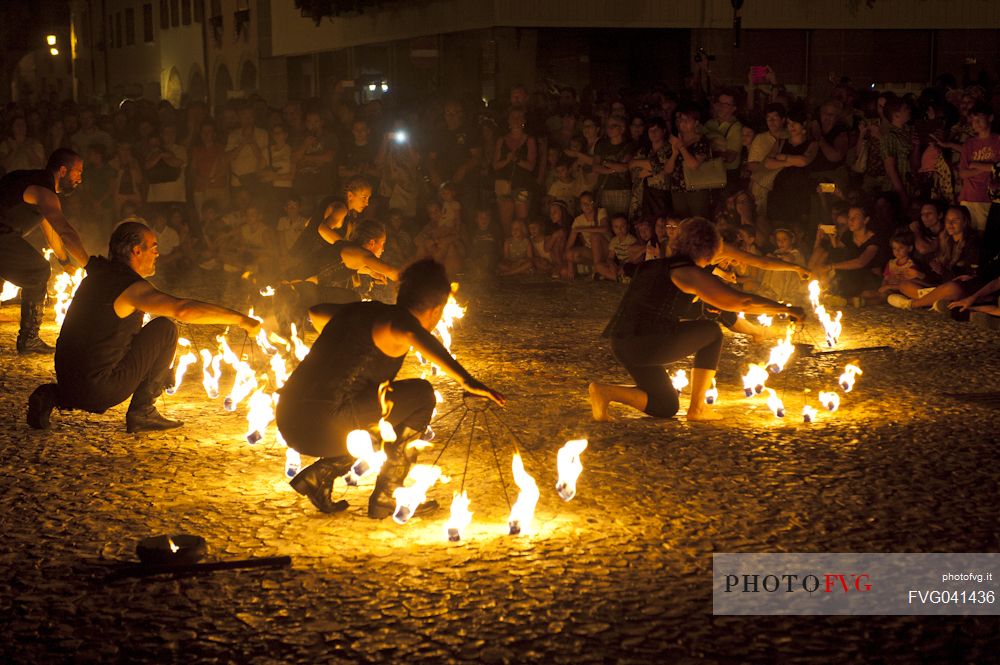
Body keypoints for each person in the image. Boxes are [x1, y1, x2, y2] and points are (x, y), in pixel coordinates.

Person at [275, 259, 505, 517]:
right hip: (322, 427)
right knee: (420, 396)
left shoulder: (364, 311)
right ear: (437, 309)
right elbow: (411, 333)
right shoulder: (398, 323)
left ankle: (321, 475)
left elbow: (317, 311)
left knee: (383, 404)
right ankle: (388, 495)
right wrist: (468, 382)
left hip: (287, 417)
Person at [26, 220, 260, 432]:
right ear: (136, 251)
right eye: (154, 247)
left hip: (68, 379)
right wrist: (242, 320)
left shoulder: (97, 270)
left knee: (126, 338)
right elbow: (183, 309)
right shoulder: (132, 288)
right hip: (100, 389)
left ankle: (54, 396)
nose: (158, 253)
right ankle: (143, 411)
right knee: (164, 329)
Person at [588, 217, 803, 422]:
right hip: (644, 343)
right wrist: (785, 309)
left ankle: (605, 392)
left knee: (665, 405)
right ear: (709, 250)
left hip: (624, 344)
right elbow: (740, 302)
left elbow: (754, 265)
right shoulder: (686, 272)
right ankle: (698, 408)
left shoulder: (662, 265)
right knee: (711, 332)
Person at [0, 148, 90, 354]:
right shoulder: (43, 191)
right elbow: (65, 231)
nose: (80, 179)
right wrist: (90, 264)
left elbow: (53, 234)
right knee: (37, 271)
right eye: (78, 172)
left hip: (4, 237)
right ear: (63, 170)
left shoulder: (33, 181)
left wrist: (65, 262)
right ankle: (29, 339)